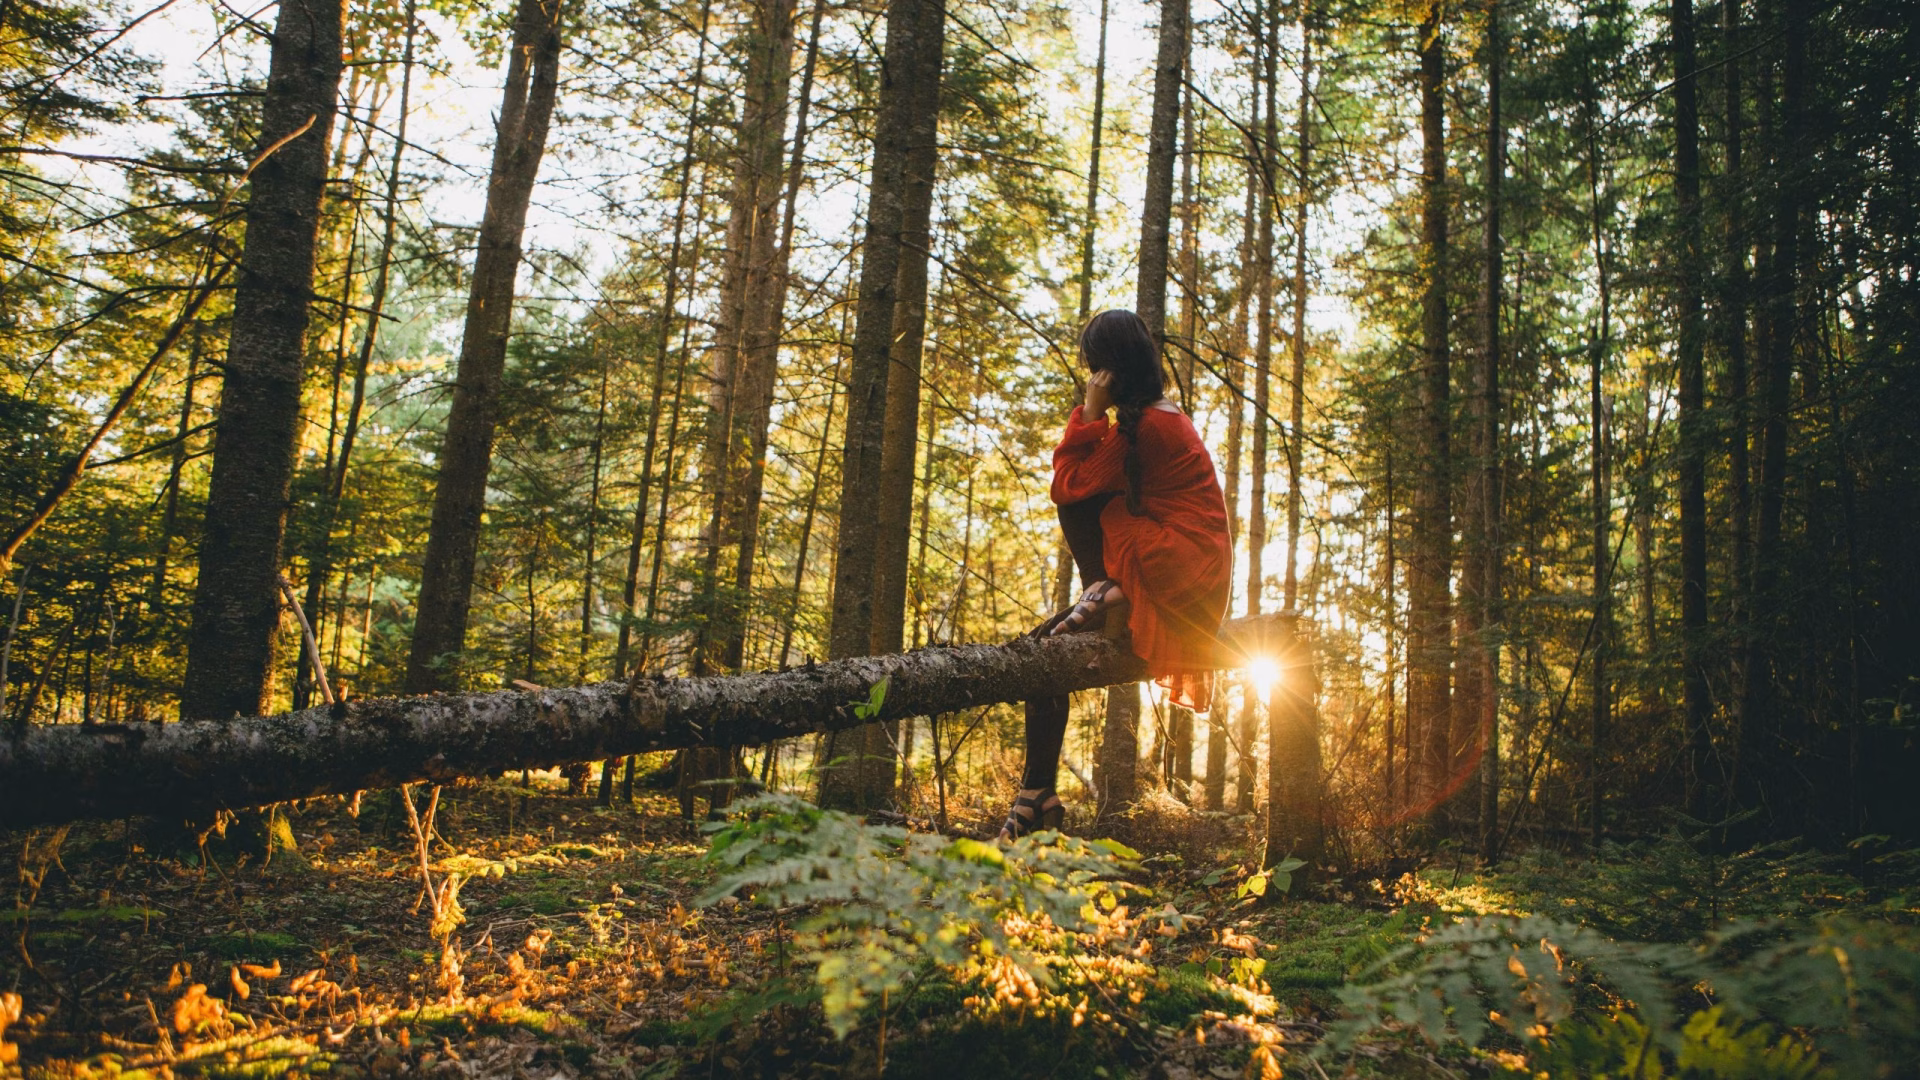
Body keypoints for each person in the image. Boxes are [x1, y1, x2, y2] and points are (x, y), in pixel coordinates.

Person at [1001, 309, 1232, 839]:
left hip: (1177, 566)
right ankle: (1037, 793)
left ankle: (1105, 590)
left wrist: (1089, 411)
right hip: (1186, 567)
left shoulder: (1147, 427)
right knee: (1044, 648)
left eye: (1095, 368)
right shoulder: (1157, 417)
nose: (1093, 377)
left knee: (1079, 501)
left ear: (1110, 369)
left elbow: (1066, 485)